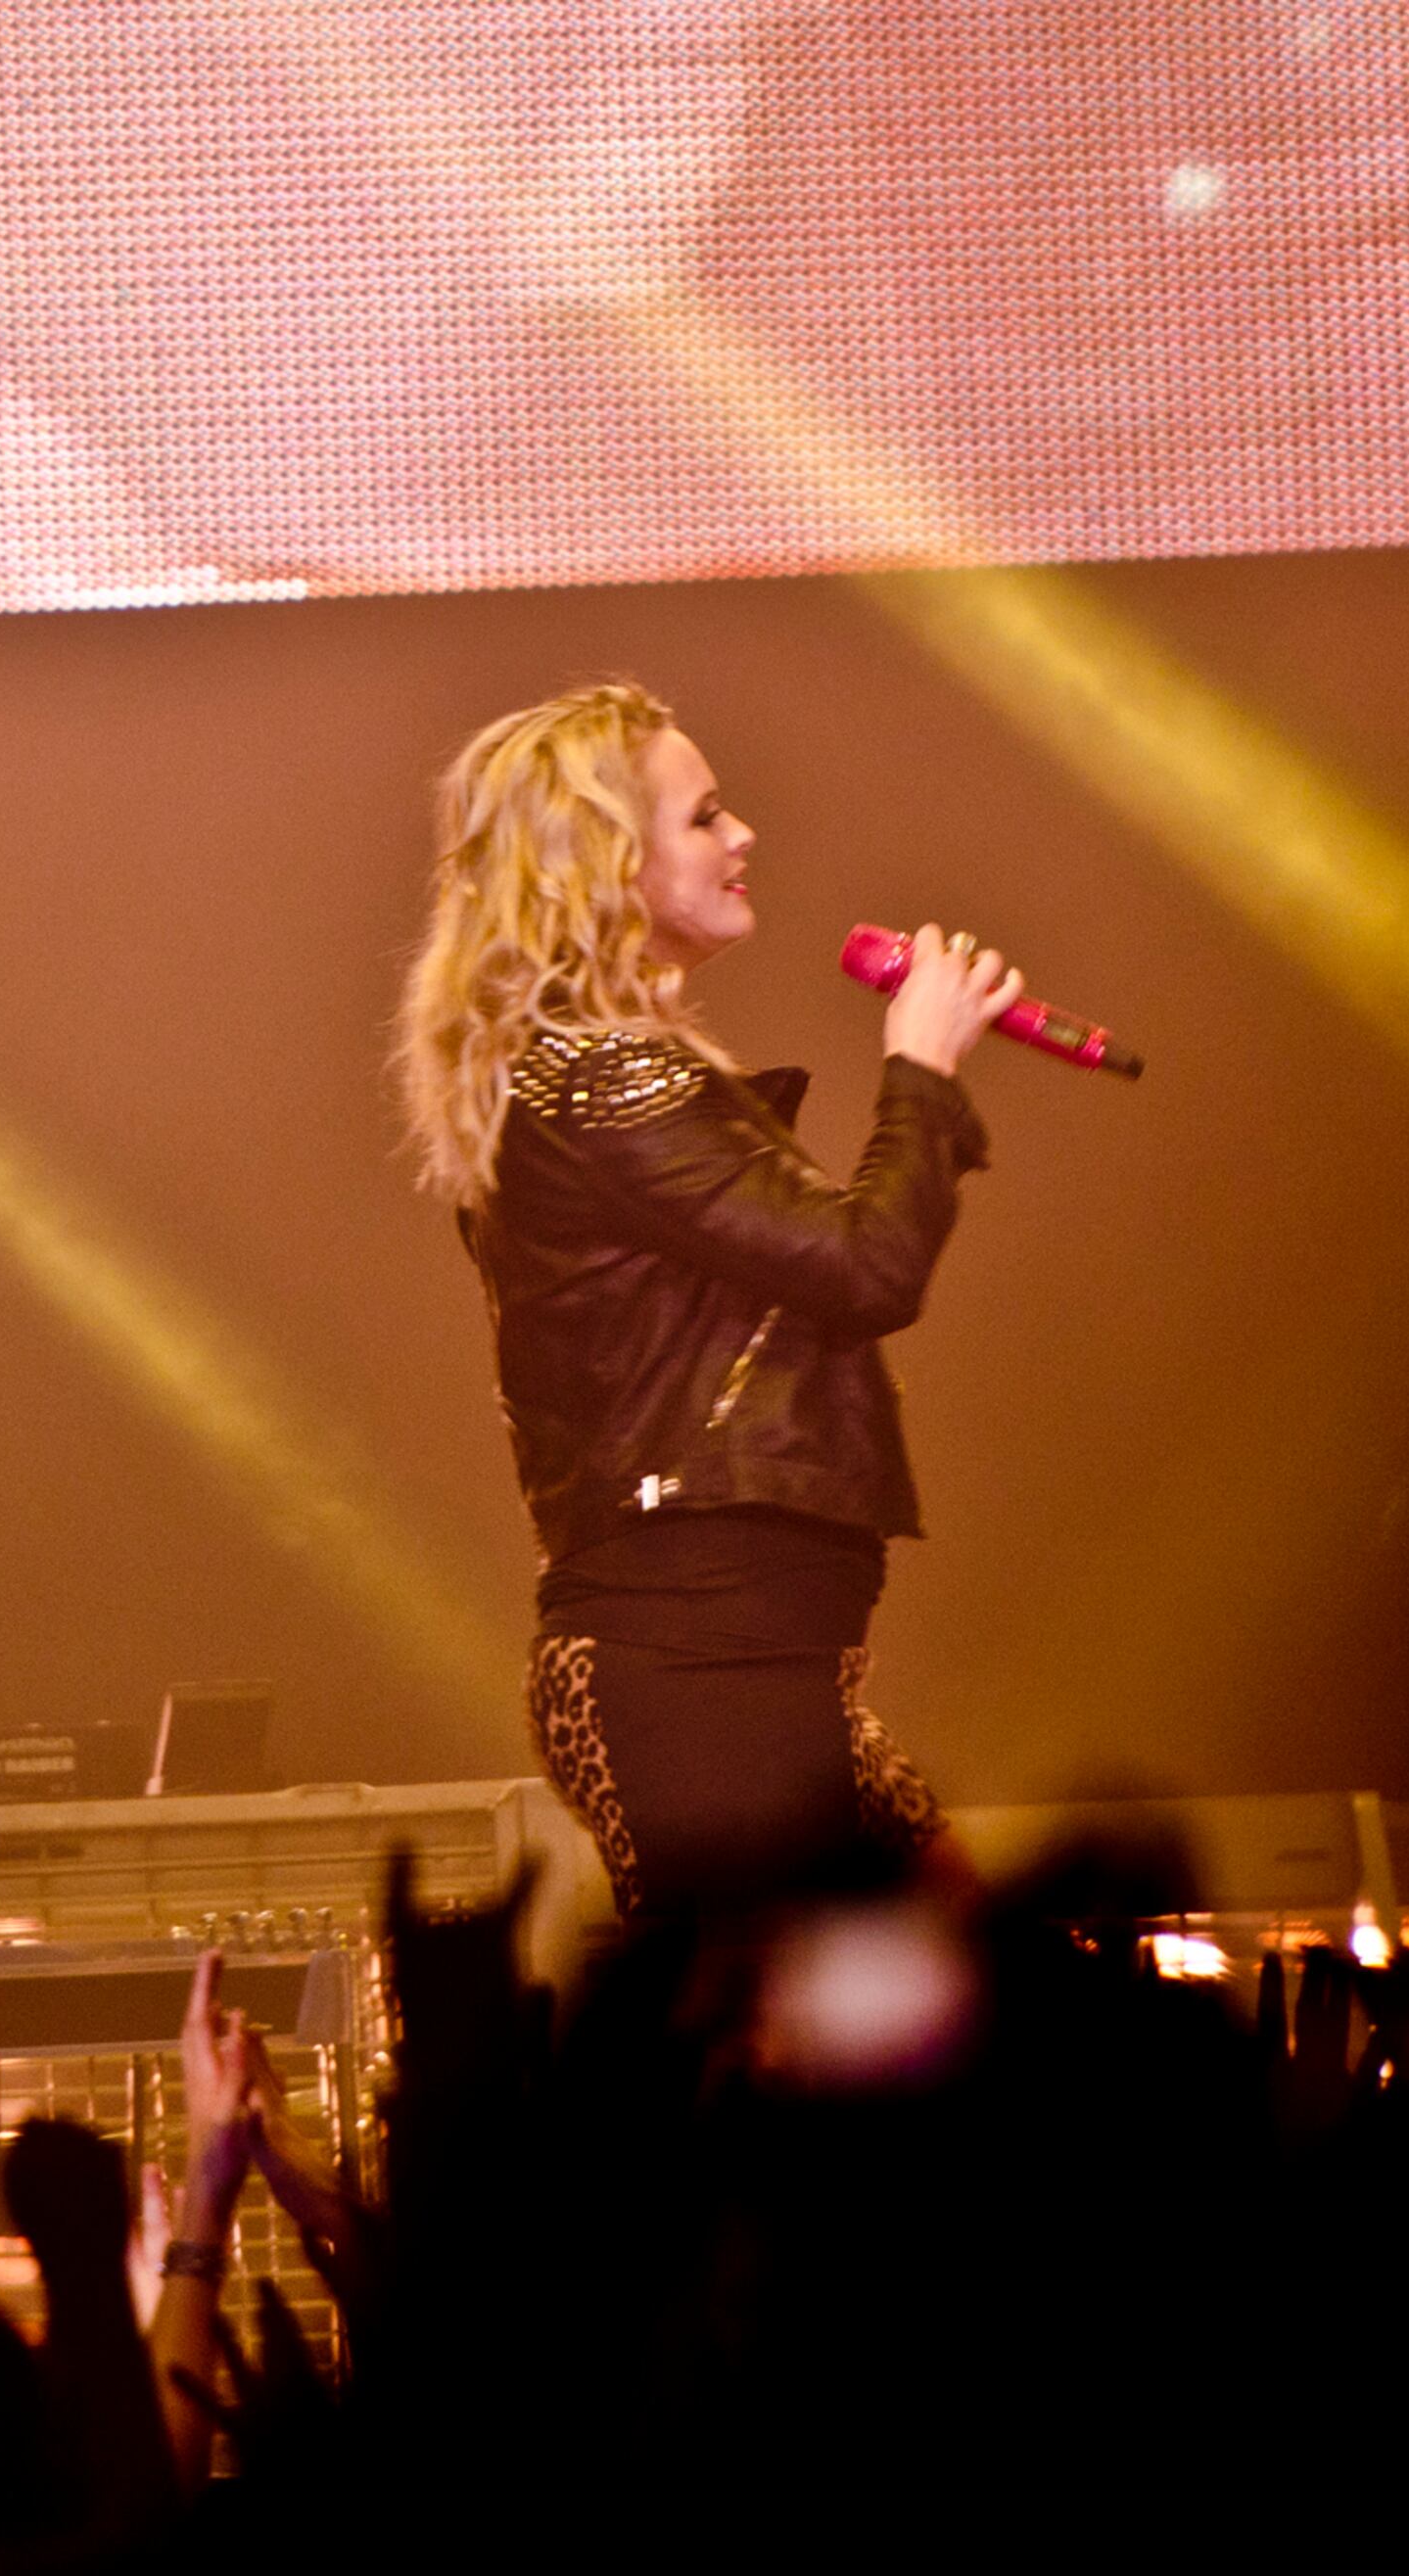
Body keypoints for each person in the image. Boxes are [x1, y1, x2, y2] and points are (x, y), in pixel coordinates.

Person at [392, 681, 1021, 1916]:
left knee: (958, 1973)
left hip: (741, 1655)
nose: (743, 837)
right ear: (604, 865)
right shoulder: (599, 1079)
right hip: (697, 1660)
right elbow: (866, 1266)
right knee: (791, 2017)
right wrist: (922, 1067)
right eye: (704, 817)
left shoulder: (590, 1075)